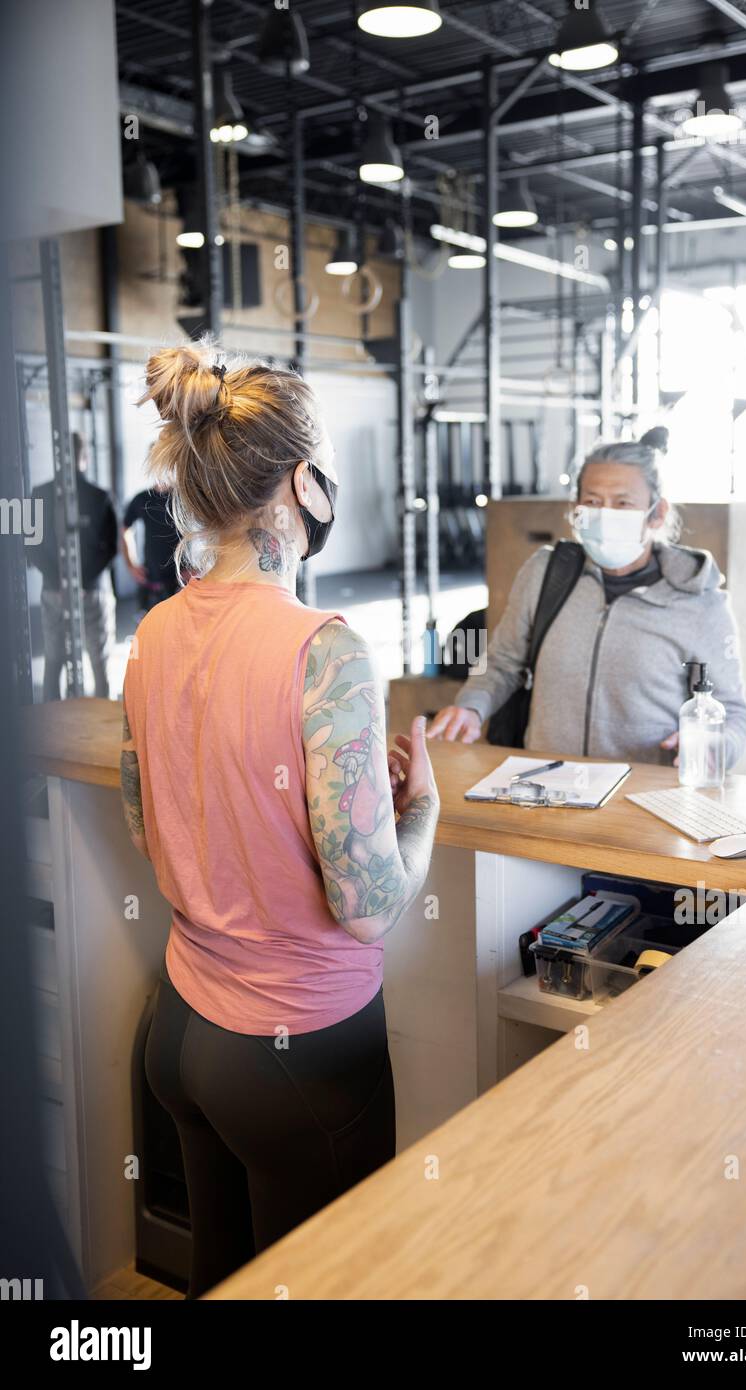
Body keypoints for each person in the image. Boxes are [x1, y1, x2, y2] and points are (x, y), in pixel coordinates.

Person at [121, 344, 439, 1298]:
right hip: (295, 1051)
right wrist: (416, 809)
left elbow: (150, 819)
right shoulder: (325, 651)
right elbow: (368, 903)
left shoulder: (153, 631)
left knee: (220, 1277)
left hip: (179, 1031)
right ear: (304, 481)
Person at [429, 428, 746, 770]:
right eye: (593, 501)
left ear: (656, 514)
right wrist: (471, 706)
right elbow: (503, 662)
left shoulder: (698, 601)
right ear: (577, 509)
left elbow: (732, 714)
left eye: (623, 503)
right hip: (545, 785)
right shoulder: (545, 573)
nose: (605, 514)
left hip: (642, 795)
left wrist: (711, 747)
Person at [29, 432, 117, 700]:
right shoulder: (100, 496)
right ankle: (103, 731)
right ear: (85, 457)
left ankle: (50, 728)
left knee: (53, 662)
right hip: (92, 592)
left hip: (53, 592)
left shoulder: (38, 494)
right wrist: (80, 581)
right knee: (99, 663)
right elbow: (111, 547)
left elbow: (28, 545)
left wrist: (60, 582)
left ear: (58, 458)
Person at [121, 481, 183, 610]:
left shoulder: (184, 497)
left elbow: (205, 530)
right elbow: (125, 529)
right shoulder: (142, 498)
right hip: (151, 579)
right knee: (149, 627)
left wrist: (196, 568)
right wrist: (130, 564)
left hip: (181, 581)